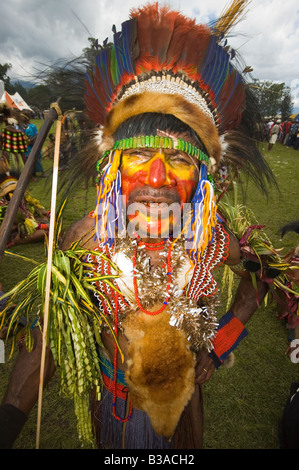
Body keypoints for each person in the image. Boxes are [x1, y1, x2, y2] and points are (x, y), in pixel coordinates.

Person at [0, 2, 293, 449]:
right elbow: (50, 335)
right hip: (113, 413)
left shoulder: (210, 240)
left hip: (184, 416)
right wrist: (9, 418)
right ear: (112, 168)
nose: (156, 179)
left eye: (178, 159)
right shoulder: (86, 241)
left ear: (204, 178)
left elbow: (261, 276)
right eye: (139, 154)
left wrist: (219, 343)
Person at [23, 113, 46, 178]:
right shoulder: (22, 127)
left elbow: (36, 134)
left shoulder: (32, 126)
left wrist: (31, 140)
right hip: (28, 146)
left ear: (26, 118)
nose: (21, 118)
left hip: (34, 143)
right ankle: (33, 173)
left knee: (36, 158)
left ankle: (42, 172)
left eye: (23, 117)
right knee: (29, 159)